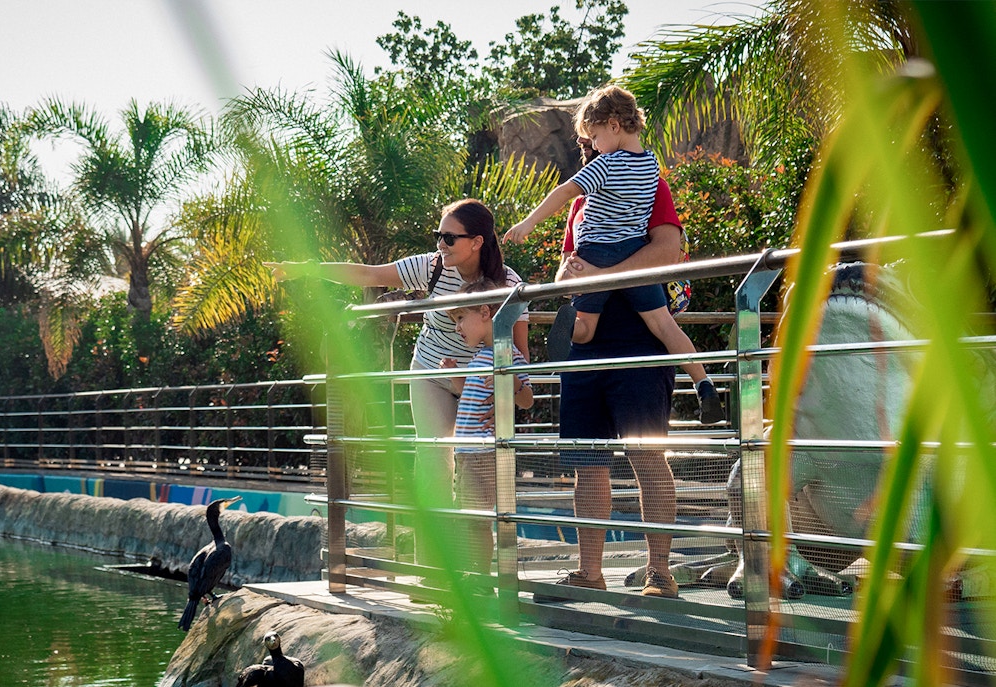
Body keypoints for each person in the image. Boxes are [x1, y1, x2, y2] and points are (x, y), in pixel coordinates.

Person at [264, 198, 530, 570]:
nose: (441, 244)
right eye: (438, 235)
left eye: (449, 238)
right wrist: (306, 270)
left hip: (481, 381)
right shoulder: (432, 267)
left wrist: (510, 390)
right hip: (432, 372)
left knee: (479, 477)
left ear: (477, 242)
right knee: (434, 460)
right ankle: (432, 568)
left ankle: (479, 571)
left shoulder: (508, 284)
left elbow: (519, 355)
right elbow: (371, 275)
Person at [503, 84, 723, 424]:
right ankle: (704, 383)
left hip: (596, 253)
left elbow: (566, 191)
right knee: (664, 325)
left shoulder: (605, 166)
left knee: (586, 328)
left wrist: (529, 222)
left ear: (614, 125)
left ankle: (570, 328)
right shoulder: (651, 166)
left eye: (593, 136)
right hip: (633, 250)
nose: (592, 145)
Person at [534, 140, 688, 601]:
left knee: (647, 457)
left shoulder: (651, 185)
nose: (591, 147)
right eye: (586, 140)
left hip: (641, 347)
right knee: (587, 463)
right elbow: (568, 273)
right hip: (585, 350)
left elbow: (666, 252)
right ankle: (589, 572)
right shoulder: (579, 206)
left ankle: (659, 573)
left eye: (596, 136)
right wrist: (571, 278)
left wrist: (603, 271)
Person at [440, 278, 535, 576]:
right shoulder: (479, 357)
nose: (457, 327)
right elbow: (468, 393)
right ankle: (474, 571)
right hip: (467, 451)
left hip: (482, 452)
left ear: (484, 312)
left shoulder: (508, 356)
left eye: (460, 318)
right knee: (468, 516)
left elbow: (528, 400)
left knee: (476, 518)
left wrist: (511, 380)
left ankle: (478, 575)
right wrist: (455, 376)